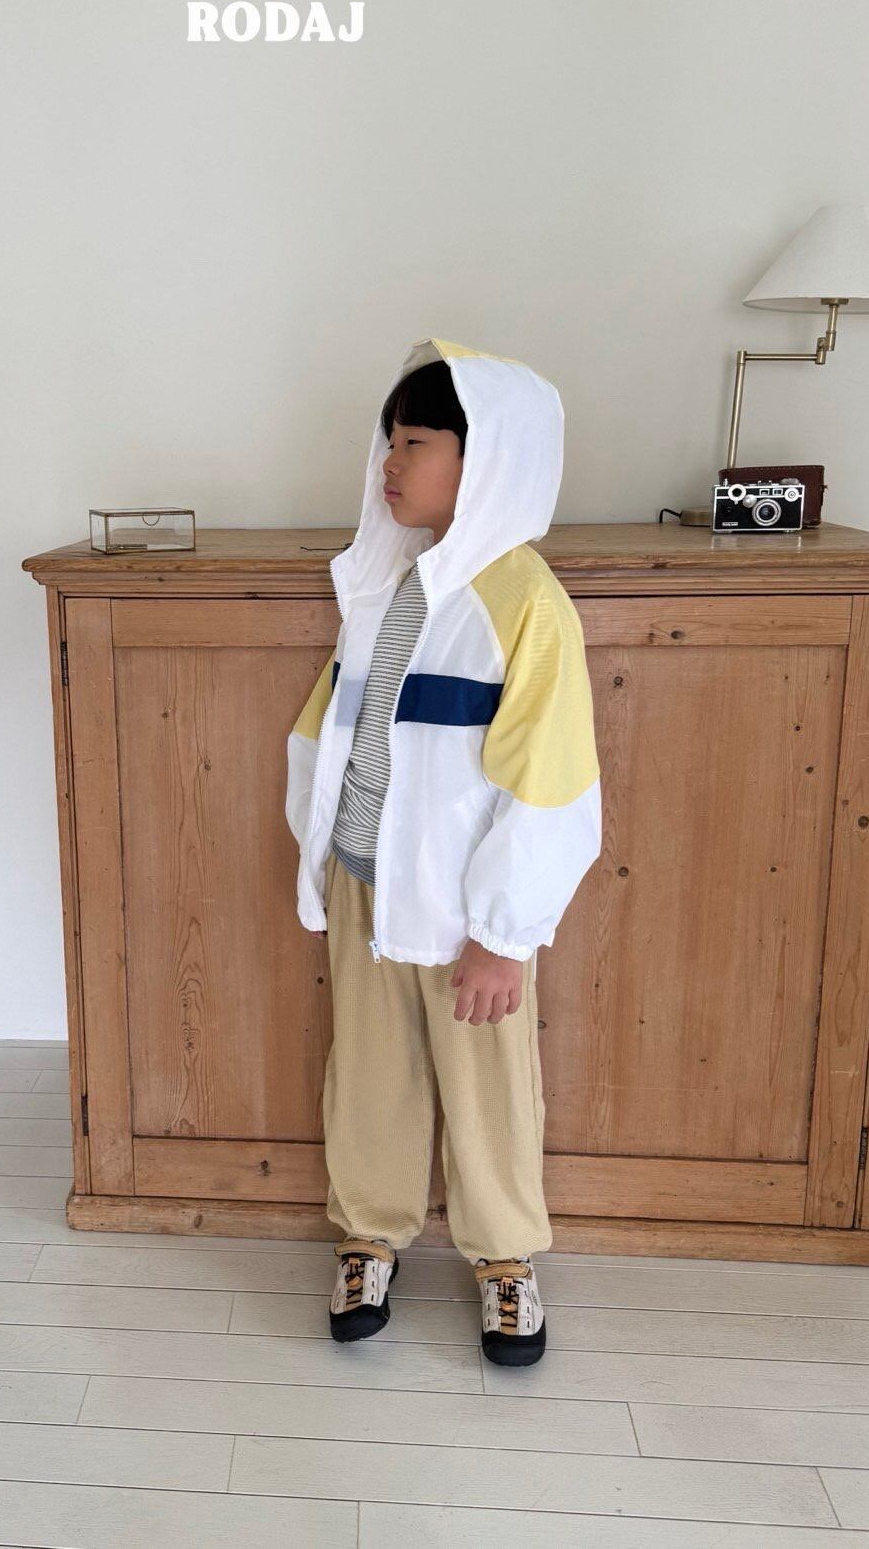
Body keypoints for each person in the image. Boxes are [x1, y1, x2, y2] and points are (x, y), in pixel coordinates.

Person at [284, 337, 602, 1367]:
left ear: (486, 458)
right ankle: (367, 1233)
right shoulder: (383, 584)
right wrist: (322, 855)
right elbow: (330, 729)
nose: (390, 462)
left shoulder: (524, 605)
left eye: (414, 442)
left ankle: (505, 1256)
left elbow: (551, 787)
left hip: (466, 909)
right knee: (369, 1070)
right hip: (364, 882)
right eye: (389, 441)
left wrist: (505, 935)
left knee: (486, 1086)